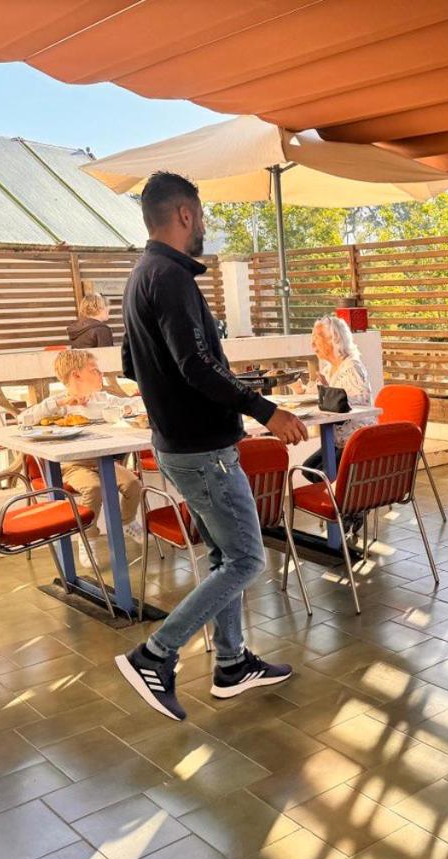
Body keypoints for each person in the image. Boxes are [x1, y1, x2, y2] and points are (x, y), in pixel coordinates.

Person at [114, 171, 310, 722]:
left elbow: (131, 363)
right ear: (184, 214)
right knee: (247, 557)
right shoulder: (171, 277)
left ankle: (231, 663)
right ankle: (155, 654)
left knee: (225, 554)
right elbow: (197, 365)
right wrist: (266, 410)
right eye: (200, 216)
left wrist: (174, 399)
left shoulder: (141, 276)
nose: (203, 226)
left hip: (178, 445)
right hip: (203, 452)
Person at [19, 348, 143, 565]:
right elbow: (24, 419)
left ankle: (127, 521)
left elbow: (134, 405)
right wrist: (60, 404)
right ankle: (88, 537)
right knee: (93, 488)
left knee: (133, 484)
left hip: (103, 461)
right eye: (94, 370)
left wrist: (134, 405)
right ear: (76, 375)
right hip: (72, 465)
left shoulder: (103, 399)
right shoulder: (58, 404)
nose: (101, 374)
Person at [291, 314, 376, 472]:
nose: (312, 343)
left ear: (334, 339)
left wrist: (329, 392)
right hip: (337, 440)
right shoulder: (328, 369)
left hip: (357, 439)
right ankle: (334, 486)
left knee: (319, 473)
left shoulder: (352, 367)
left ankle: (341, 487)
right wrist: (299, 389)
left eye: (317, 338)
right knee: (309, 469)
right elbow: (316, 397)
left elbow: (359, 403)